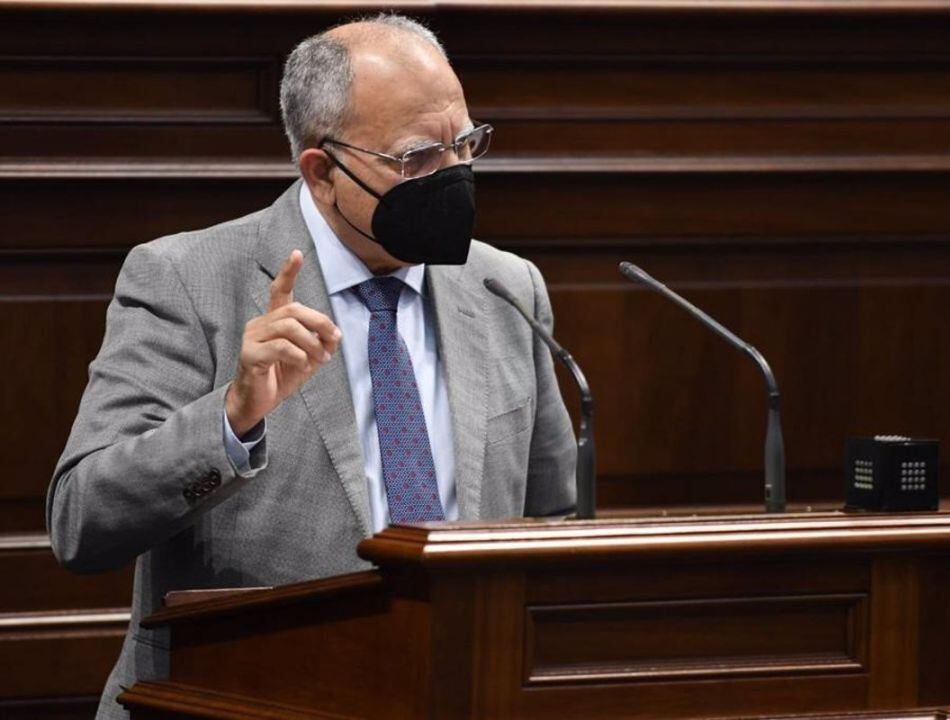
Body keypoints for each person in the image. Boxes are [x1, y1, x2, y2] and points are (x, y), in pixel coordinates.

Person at [47, 14, 576, 719]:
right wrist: (229, 421)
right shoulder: (185, 278)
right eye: (418, 158)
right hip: (237, 700)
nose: (454, 177)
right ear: (322, 172)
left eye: (466, 143)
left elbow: (554, 523)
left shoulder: (506, 287)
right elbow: (81, 522)